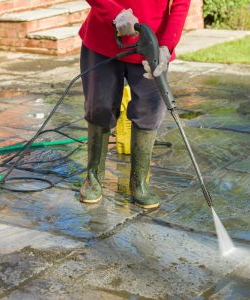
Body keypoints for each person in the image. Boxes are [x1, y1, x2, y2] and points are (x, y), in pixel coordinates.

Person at [79, 0, 191, 209]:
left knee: (149, 112)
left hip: (152, 45)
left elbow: (181, 4)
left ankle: (139, 183)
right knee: (99, 108)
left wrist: (166, 45)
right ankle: (93, 178)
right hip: (103, 39)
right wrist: (115, 13)